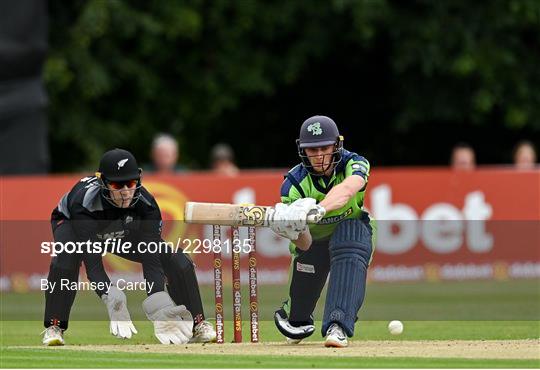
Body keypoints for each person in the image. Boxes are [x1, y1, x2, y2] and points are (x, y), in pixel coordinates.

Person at [42, 149, 216, 346]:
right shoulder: (84, 204)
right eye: (117, 184)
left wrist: (158, 301)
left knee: (176, 259)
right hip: (72, 222)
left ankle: (198, 324)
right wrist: (108, 293)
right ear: (103, 182)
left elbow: (152, 259)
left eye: (131, 183)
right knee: (66, 259)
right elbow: (92, 264)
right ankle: (54, 327)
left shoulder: (147, 206)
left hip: (120, 229)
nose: (125, 191)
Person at [268, 116, 375, 348]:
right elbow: (304, 244)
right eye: (311, 150)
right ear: (302, 151)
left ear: (337, 145)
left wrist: (319, 208)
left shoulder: (355, 163)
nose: (318, 156)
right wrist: (291, 228)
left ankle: (338, 326)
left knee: (350, 239)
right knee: (296, 324)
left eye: (324, 148)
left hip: (351, 231)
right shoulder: (293, 184)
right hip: (313, 243)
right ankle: (297, 316)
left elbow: (349, 189)